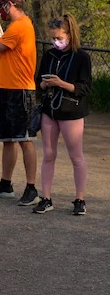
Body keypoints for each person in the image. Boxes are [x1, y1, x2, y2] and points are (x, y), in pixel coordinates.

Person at [0, 0, 40, 206]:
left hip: (20, 89)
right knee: (7, 139)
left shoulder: (21, 26)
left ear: (9, 5)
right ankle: (6, 184)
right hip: (5, 88)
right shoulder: (15, 26)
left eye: (1, 6)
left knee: (25, 138)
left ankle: (31, 188)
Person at [33, 14, 92, 216]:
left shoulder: (82, 57)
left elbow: (84, 87)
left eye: (59, 38)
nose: (56, 42)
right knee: (48, 154)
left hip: (72, 111)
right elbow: (37, 82)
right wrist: (43, 84)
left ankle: (80, 198)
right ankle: (46, 197)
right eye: (53, 38)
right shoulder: (49, 55)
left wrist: (61, 84)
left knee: (76, 156)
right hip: (50, 109)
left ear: (69, 34)